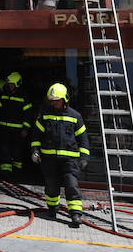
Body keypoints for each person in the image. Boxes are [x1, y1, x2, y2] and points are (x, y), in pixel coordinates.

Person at [30, 82, 91, 228]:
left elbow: (83, 139)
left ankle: (75, 214)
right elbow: (36, 136)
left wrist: (84, 158)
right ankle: (52, 208)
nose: (54, 103)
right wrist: (35, 150)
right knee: (51, 186)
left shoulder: (75, 116)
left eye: (57, 100)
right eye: (52, 100)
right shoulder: (45, 116)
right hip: (49, 159)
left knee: (72, 185)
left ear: (64, 99)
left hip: (70, 160)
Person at [0, 71, 31, 175]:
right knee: (4, 150)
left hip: (18, 130)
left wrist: (25, 129)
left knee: (17, 151)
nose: (10, 86)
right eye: (8, 85)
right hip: (3, 128)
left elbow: (28, 114)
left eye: (12, 84)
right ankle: (5, 172)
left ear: (17, 84)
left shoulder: (24, 97)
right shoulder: (4, 95)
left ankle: (17, 171)